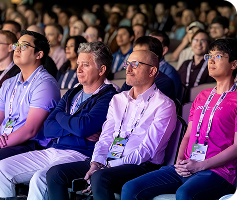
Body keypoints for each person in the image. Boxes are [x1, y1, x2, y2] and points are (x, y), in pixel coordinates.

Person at [45, 48, 177, 200]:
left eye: (135, 64)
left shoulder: (164, 104)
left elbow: (147, 151)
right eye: (127, 64)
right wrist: (96, 163)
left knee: (100, 177)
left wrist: (109, 166)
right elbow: (106, 137)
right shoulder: (118, 99)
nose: (128, 69)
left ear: (152, 71)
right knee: (55, 174)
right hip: (109, 160)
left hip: (141, 165)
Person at [0, 41, 117, 200]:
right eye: (78, 63)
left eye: (85, 64)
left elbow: (83, 128)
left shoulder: (109, 96)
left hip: (80, 154)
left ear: (102, 70)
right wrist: (75, 126)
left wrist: (63, 118)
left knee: (40, 178)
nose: (78, 69)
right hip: (53, 149)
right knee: (0, 169)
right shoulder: (73, 92)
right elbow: (48, 128)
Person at [121, 38, 237, 200]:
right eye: (208, 56)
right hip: (188, 165)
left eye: (217, 56)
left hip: (218, 171)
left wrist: (200, 165)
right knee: (130, 188)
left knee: (184, 194)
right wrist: (180, 162)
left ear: (233, 64)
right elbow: (188, 135)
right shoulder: (202, 96)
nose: (210, 60)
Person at [0, 30, 60, 196]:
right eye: (17, 45)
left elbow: (30, 129)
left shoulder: (45, 84)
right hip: (4, 142)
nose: (17, 49)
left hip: (29, 145)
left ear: (39, 54)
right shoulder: (9, 83)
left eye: (24, 46)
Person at [121, 36, 176, 101]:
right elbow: (120, 102)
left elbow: (149, 106)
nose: (128, 69)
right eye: (134, 53)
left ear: (154, 58)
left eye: (141, 54)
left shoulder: (165, 83)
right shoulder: (132, 76)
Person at [178, 29, 216, 102]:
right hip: (182, 105)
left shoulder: (212, 65)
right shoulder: (185, 64)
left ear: (208, 45)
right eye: (196, 40)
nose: (199, 44)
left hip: (203, 105)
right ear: (191, 44)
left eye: (203, 40)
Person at [149, 30, 182, 101]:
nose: (149, 47)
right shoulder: (140, 67)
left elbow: (165, 101)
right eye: (148, 43)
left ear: (164, 50)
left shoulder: (169, 73)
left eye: (155, 44)